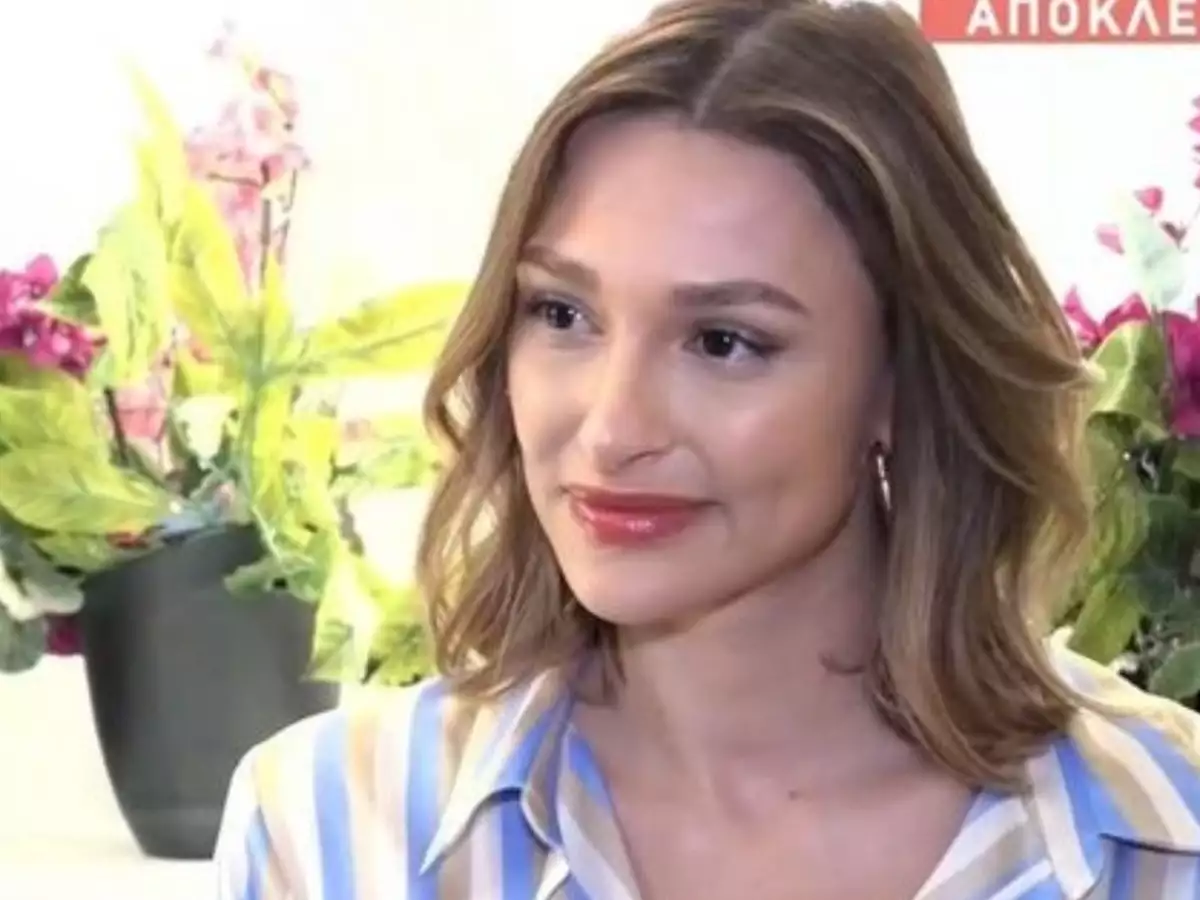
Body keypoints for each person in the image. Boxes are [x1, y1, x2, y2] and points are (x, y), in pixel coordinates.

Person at [214, 1, 1200, 898]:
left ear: (902, 380)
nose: (612, 429)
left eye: (724, 341)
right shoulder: (329, 835)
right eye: (562, 314)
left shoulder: (1167, 833)